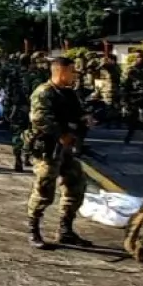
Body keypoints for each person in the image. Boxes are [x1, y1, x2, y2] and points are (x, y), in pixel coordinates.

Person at [25, 55, 90, 250]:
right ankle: (33, 229)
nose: (74, 75)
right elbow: (39, 119)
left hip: (65, 150)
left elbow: (77, 113)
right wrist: (62, 134)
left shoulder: (69, 93)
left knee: (76, 185)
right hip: (47, 150)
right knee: (44, 191)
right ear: (60, 71)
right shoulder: (44, 92)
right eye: (71, 70)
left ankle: (65, 230)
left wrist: (85, 119)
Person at [120, 51, 143, 148]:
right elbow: (124, 86)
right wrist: (125, 101)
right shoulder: (129, 70)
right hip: (133, 98)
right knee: (133, 120)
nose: (139, 59)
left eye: (141, 57)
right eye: (137, 57)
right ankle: (128, 138)